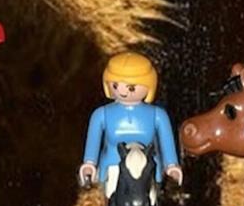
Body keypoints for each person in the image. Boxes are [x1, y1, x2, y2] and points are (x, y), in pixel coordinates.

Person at [78, 52, 182, 192]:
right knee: (110, 189)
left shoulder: (158, 115)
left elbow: (166, 142)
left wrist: (171, 166)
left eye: (131, 88)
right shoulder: (101, 114)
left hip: (148, 167)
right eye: (115, 85)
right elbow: (93, 142)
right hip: (113, 164)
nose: (122, 91)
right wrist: (89, 163)